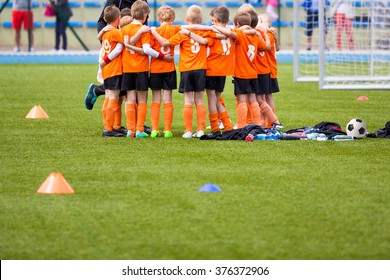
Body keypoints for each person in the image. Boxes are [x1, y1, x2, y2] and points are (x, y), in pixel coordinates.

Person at [151, 5, 215, 139]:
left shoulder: (181, 32)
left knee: (188, 100)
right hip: (200, 69)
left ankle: (187, 131)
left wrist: (154, 32)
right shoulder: (204, 32)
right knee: (200, 100)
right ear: (201, 19)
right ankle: (201, 130)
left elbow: (166, 43)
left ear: (187, 19)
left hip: (186, 69)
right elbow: (208, 39)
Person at [121, 0, 172, 138]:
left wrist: (129, 45)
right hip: (141, 68)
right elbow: (145, 51)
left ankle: (130, 130)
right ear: (144, 15)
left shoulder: (124, 28)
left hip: (127, 68)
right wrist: (162, 56)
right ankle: (139, 129)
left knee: (130, 98)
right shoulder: (144, 30)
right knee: (142, 99)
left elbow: (126, 44)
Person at [84, 0, 147, 111]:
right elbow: (102, 20)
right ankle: (114, 126)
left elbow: (143, 22)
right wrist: (108, 41)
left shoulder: (142, 3)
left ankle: (135, 125)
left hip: (128, 50)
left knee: (128, 89)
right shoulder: (116, 28)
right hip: (117, 50)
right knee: (118, 90)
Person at [148, 5, 181, 139]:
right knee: (168, 99)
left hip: (156, 68)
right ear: (172, 18)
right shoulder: (174, 29)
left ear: (159, 18)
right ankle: (167, 129)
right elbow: (187, 28)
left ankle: (155, 129)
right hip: (169, 68)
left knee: (156, 99)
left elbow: (150, 51)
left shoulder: (154, 31)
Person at [204, 6, 236, 138]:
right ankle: (228, 126)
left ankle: (215, 128)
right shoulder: (232, 31)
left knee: (212, 99)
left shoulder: (211, 32)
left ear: (215, 19)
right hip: (224, 70)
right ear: (228, 20)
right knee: (217, 99)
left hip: (212, 69)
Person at [99, 5, 125, 137]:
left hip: (107, 70)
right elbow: (120, 48)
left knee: (109, 97)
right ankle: (108, 129)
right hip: (113, 68)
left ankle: (109, 126)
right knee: (114, 97)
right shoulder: (115, 32)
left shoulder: (105, 32)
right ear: (118, 18)